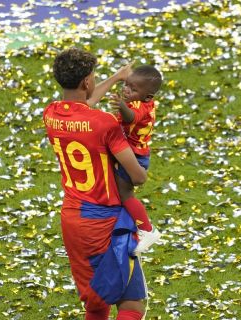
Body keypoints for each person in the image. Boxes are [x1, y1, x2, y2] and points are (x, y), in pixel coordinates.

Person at [43, 47, 147, 320]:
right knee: (132, 305)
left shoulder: (51, 114)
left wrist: (115, 77)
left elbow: (81, 108)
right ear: (86, 81)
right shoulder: (104, 123)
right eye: (93, 76)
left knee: (96, 302)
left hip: (73, 221)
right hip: (106, 222)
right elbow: (137, 176)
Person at [109, 65, 163, 253]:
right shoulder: (141, 101)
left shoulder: (139, 106)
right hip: (133, 152)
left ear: (147, 96)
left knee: (125, 194)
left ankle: (147, 230)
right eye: (126, 85)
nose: (126, 90)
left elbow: (131, 118)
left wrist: (122, 106)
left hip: (134, 156)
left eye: (133, 89)